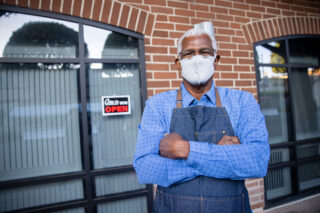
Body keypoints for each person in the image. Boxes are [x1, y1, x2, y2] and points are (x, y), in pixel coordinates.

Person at [133, 21, 270, 213]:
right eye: (189, 53)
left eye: (204, 52)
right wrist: (216, 155)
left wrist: (186, 149)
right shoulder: (157, 105)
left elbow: (257, 161)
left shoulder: (242, 102)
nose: (196, 59)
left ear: (216, 60)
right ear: (178, 63)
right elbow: (145, 167)